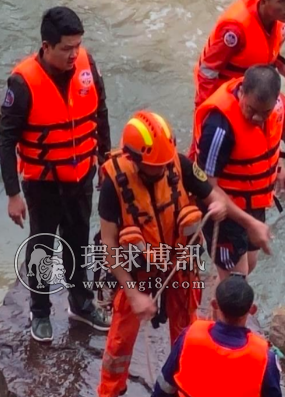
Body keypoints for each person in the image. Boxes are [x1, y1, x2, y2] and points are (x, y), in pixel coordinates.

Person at [0, 6, 112, 342]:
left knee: (77, 241)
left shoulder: (88, 66)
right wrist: (13, 193)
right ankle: (41, 311)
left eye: (77, 46)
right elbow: (6, 140)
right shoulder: (22, 82)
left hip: (81, 175)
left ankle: (81, 303)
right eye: (66, 48)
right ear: (46, 46)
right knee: (43, 246)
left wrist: (105, 161)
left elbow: (100, 112)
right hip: (42, 182)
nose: (73, 54)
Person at [97, 111, 229, 397]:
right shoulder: (113, 184)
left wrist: (217, 205)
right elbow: (108, 245)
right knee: (119, 341)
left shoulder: (178, 164)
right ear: (135, 159)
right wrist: (133, 294)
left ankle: (183, 387)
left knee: (186, 334)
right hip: (138, 272)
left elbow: (213, 194)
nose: (163, 168)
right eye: (156, 165)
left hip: (179, 267)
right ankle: (110, 391)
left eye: (165, 162)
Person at [190, 0, 285, 167]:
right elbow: (206, 72)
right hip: (226, 93)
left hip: (257, 85)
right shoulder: (234, 31)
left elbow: (263, 49)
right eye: (282, 1)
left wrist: (283, 66)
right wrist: (207, 111)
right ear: (264, 2)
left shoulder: (278, 22)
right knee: (203, 147)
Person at [193, 65, 285, 280]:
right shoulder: (220, 127)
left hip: (253, 203)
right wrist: (250, 223)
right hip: (223, 210)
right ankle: (223, 305)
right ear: (241, 93)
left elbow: (269, 143)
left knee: (249, 264)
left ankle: (218, 292)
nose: (257, 118)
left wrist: (278, 168)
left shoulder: (275, 107)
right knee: (236, 280)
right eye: (251, 110)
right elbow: (205, 184)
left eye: (264, 112)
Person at [151, 275, 282, 397]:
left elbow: (164, 386)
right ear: (252, 310)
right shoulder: (265, 358)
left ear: (214, 305)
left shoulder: (189, 337)